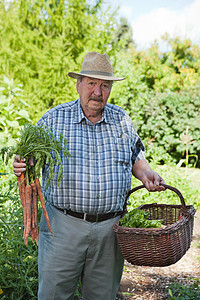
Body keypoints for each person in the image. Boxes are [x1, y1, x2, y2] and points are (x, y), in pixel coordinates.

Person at [13, 52, 165, 300]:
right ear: (79, 84)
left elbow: (136, 157)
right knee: (53, 295)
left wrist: (147, 174)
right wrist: (21, 164)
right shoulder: (54, 120)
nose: (97, 92)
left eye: (105, 85)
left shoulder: (122, 120)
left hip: (110, 230)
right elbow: (29, 159)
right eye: (92, 83)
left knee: (102, 296)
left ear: (111, 89)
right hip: (62, 228)